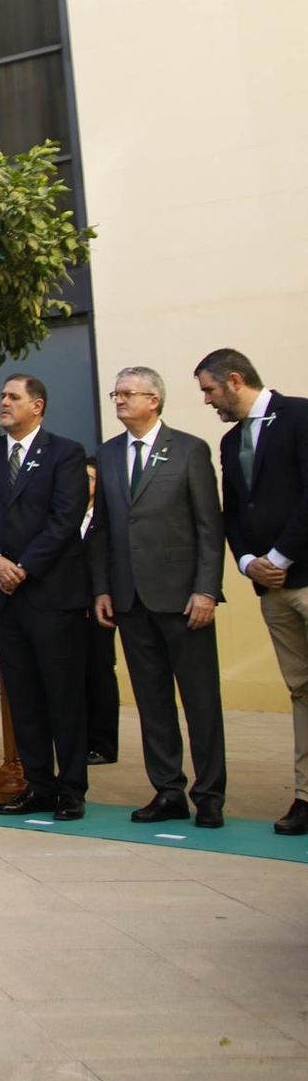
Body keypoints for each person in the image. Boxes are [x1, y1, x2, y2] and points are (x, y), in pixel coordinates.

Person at [91, 367, 225, 827]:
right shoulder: (109, 454)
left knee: (201, 701)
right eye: (115, 393)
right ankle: (168, 791)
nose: (119, 400)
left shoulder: (189, 449)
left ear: (154, 400)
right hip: (130, 601)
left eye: (128, 393)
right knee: (152, 703)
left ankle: (209, 794)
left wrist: (206, 589)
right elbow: (102, 529)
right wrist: (102, 588)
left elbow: (210, 527)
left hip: (184, 599)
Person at [0, 374, 90, 818]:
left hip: (51, 593)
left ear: (37, 406)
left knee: (62, 694)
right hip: (2, 595)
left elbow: (65, 518)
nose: (4, 402)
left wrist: (25, 567)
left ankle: (71, 788)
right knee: (23, 696)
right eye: (2, 396)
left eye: (14, 397)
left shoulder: (65, 453)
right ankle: (38, 784)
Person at [195, 347, 308, 834]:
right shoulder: (229, 441)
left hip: (301, 575)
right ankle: (305, 797)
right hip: (270, 589)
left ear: (235, 380)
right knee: (301, 690)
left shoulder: (300, 416)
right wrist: (246, 562)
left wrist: (279, 558)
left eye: (209, 390)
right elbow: (235, 511)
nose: (207, 400)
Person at [81, 460, 121, 765]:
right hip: (71, 605)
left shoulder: (105, 517)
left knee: (100, 671)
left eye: (91, 478)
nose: (85, 483)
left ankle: (104, 744)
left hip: (100, 604)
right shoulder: (68, 514)